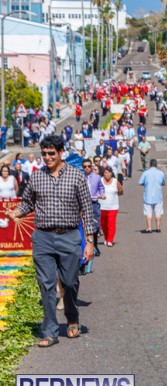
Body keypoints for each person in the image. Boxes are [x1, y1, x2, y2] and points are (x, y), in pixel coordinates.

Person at [5, 135, 95, 347]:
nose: (47, 158)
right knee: (46, 285)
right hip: (43, 237)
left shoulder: (76, 176)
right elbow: (27, 203)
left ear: (60, 153)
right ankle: (50, 332)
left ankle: (72, 318)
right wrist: (16, 211)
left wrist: (89, 241)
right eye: (44, 154)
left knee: (70, 282)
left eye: (51, 153)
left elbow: (87, 210)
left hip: (70, 236)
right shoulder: (37, 177)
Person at [83, 158, 105, 257]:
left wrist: (102, 194)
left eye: (89, 166)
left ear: (92, 167)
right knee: (84, 226)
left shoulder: (97, 177)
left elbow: (101, 187)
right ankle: (85, 246)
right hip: (83, 205)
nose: (87, 168)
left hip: (94, 204)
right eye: (85, 166)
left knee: (94, 226)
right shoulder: (80, 177)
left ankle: (94, 245)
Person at [138, 159, 165, 233]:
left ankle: (149, 228)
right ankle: (158, 227)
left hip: (148, 196)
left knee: (148, 213)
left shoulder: (146, 173)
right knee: (158, 212)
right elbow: (163, 182)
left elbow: (140, 182)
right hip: (158, 196)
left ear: (150, 165)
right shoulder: (161, 173)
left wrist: (145, 184)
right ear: (156, 165)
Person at [99, 166, 123, 247]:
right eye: (105, 172)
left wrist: (116, 194)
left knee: (111, 224)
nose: (107, 174)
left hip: (113, 207)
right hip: (101, 207)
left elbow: (121, 191)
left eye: (109, 172)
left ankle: (110, 240)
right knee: (103, 224)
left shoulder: (115, 181)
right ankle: (106, 238)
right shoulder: (100, 180)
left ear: (111, 173)